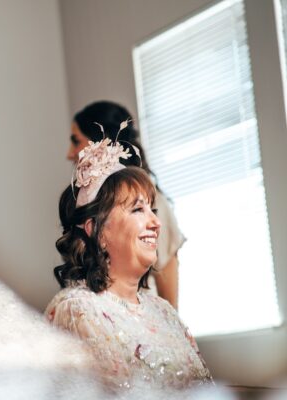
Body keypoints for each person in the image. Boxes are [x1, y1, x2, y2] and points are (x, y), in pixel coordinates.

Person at [46, 137, 212, 391]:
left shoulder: (163, 311)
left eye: (152, 210)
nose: (156, 223)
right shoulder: (78, 311)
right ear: (98, 233)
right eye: (137, 210)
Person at [65, 101, 184, 309]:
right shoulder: (80, 208)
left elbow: (170, 302)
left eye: (76, 141)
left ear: (99, 141)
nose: (69, 153)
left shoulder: (155, 208)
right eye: (138, 209)